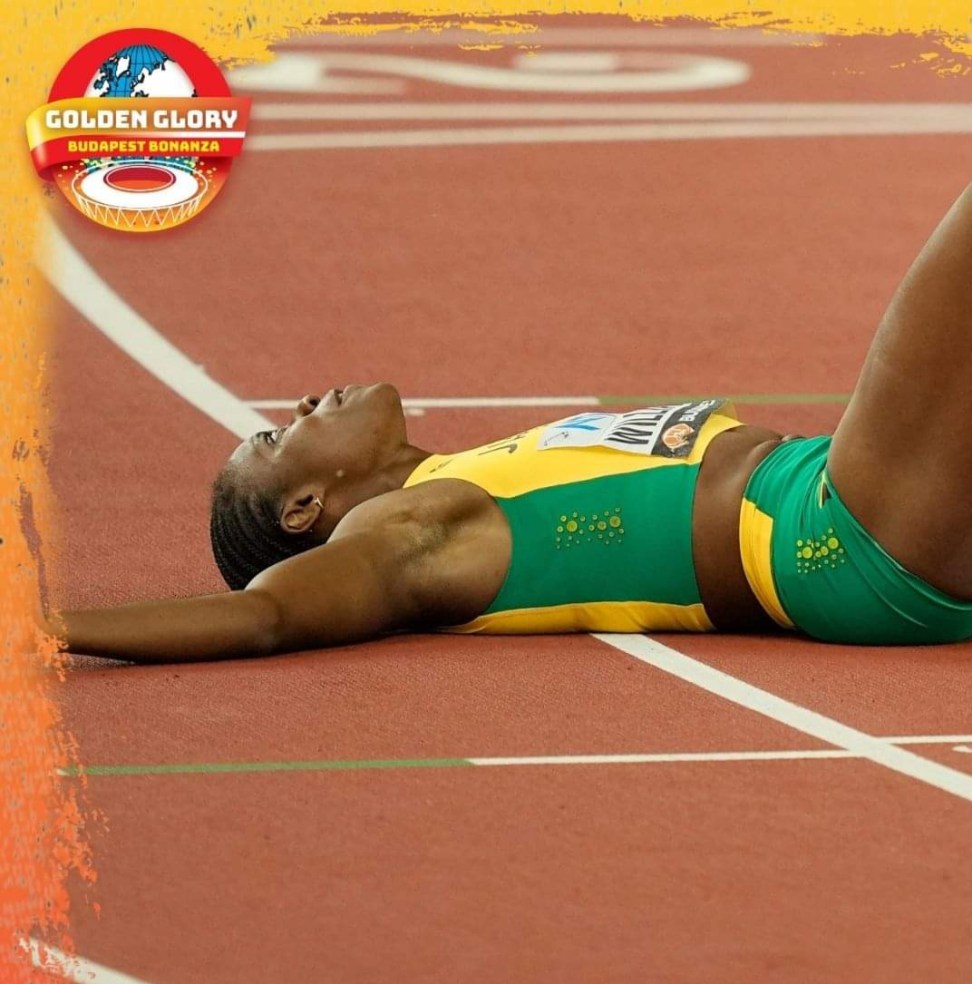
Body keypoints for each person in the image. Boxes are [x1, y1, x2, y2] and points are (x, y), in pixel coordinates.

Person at [46, 185, 972, 662]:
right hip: (840, 534)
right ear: (304, 508)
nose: (294, 408)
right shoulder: (403, 532)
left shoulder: (462, 472)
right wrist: (42, 627)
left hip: (858, 507)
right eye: (273, 440)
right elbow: (267, 613)